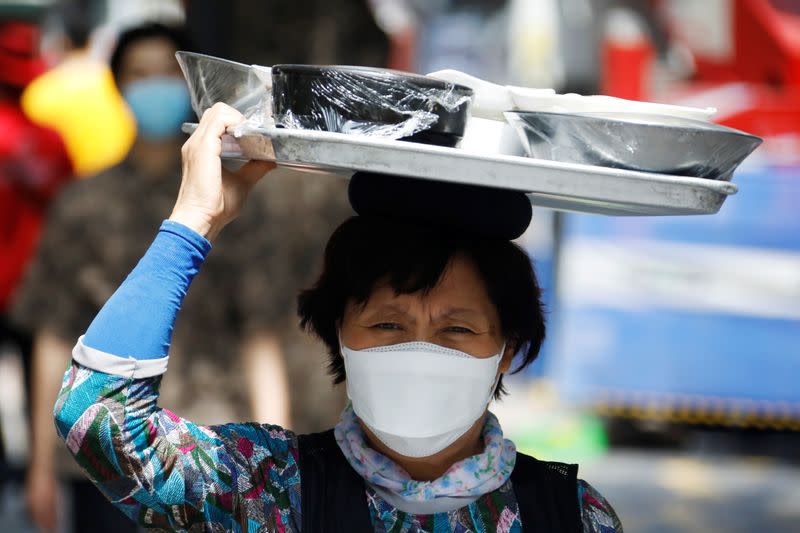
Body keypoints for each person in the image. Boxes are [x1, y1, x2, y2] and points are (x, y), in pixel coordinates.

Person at [50, 102, 624, 532]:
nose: (422, 353)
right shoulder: (270, 489)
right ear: (339, 336)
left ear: (507, 349)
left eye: (457, 330)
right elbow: (96, 418)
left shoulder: (571, 516)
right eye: (389, 326)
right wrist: (195, 221)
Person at [13, 22, 345, 532]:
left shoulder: (233, 201)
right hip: (104, 456)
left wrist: (277, 454)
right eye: (139, 74)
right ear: (117, 86)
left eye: (166, 73)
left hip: (204, 451)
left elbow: (259, 332)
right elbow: (54, 334)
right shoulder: (82, 204)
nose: (154, 86)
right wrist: (40, 466)